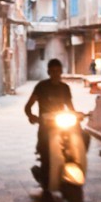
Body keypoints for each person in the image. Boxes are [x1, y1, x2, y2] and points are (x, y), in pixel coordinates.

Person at [24, 58, 76, 190]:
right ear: (48, 72)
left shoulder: (65, 88)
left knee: (79, 140)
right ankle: (45, 177)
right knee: (46, 152)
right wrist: (32, 116)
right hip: (46, 127)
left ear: (61, 72)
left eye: (58, 71)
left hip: (62, 125)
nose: (56, 74)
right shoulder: (41, 87)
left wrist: (77, 117)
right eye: (52, 71)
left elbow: (70, 108)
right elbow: (28, 106)